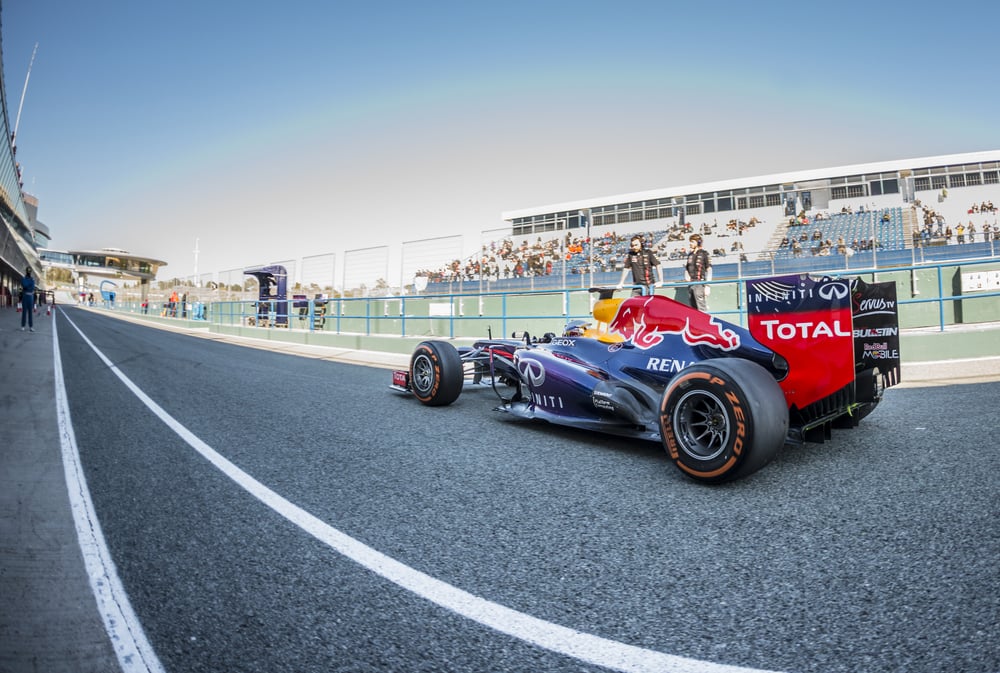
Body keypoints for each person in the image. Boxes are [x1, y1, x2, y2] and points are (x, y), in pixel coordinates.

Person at [684, 234, 712, 311]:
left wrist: (708, 286)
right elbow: (687, 268)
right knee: (693, 308)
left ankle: (704, 322)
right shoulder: (690, 255)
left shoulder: (704, 253)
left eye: (692, 242)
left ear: (698, 242)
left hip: (700, 283)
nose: (690, 243)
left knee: (701, 308)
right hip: (690, 284)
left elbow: (709, 269)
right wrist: (686, 275)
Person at [20, 267, 36, 332]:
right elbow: (24, 285)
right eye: (28, 271)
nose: (29, 272)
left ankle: (31, 327)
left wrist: (28, 285)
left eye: (30, 271)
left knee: (30, 313)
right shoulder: (24, 278)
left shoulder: (32, 279)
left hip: (30, 297)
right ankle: (23, 326)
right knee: (24, 312)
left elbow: (32, 287)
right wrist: (29, 284)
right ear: (26, 271)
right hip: (25, 296)